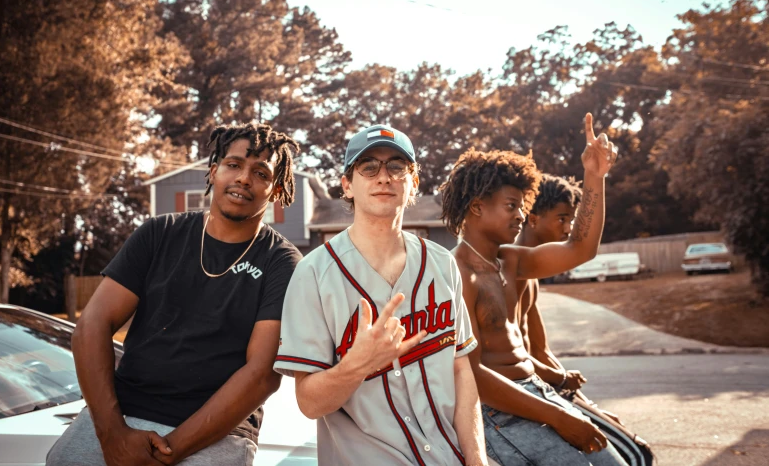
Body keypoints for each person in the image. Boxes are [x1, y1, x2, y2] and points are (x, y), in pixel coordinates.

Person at [47, 122, 302, 466]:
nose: (243, 178)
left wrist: (169, 452)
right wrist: (112, 434)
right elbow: (92, 325)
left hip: (217, 429)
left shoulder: (282, 263)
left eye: (260, 172)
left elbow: (262, 374)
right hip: (124, 413)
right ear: (213, 172)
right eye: (233, 165)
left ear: (274, 191)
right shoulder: (159, 233)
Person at [274, 124, 488, 465]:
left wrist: (477, 460)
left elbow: (460, 371)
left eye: (397, 166)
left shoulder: (442, 263)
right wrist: (357, 365)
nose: (383, 177)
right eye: (368, 166)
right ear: (347, 184)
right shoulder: (313, 273)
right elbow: (309, 403)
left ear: (414, 182)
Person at [440, 113, 628, 466]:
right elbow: (472, 374)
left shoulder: (510, 261)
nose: (521, 217)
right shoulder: (456, 274)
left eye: (522, 207)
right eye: (512, 206)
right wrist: (559, 417)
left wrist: (594, 176)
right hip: (496, 412)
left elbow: (580, 249)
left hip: (537, 394)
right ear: (477, 206)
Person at [517, 174, 655, 466]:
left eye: (571, 220)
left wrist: (585, 403)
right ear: (533, 218)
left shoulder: (531, 275)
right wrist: (563, 382)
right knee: (637, 456)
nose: (568, 228)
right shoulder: (510, 267)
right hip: (527, 395)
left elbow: (539, 348)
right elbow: (512, 358)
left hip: (549, 388)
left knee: (637, 450)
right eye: (562, 219)